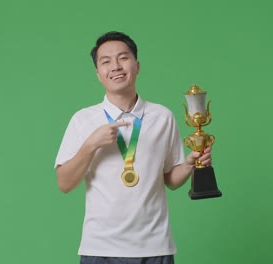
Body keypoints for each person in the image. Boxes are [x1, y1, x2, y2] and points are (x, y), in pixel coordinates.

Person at [54, 31, 212, 264]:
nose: (115, 66)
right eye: (105, 62)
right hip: (100, 248)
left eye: (123, 58)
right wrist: (91, 145)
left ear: (137, 66)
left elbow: (170, 180)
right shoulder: (83, 119)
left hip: (155, 246)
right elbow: (64, 184)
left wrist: (189, 164)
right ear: (98, 74)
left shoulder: (162, 116)